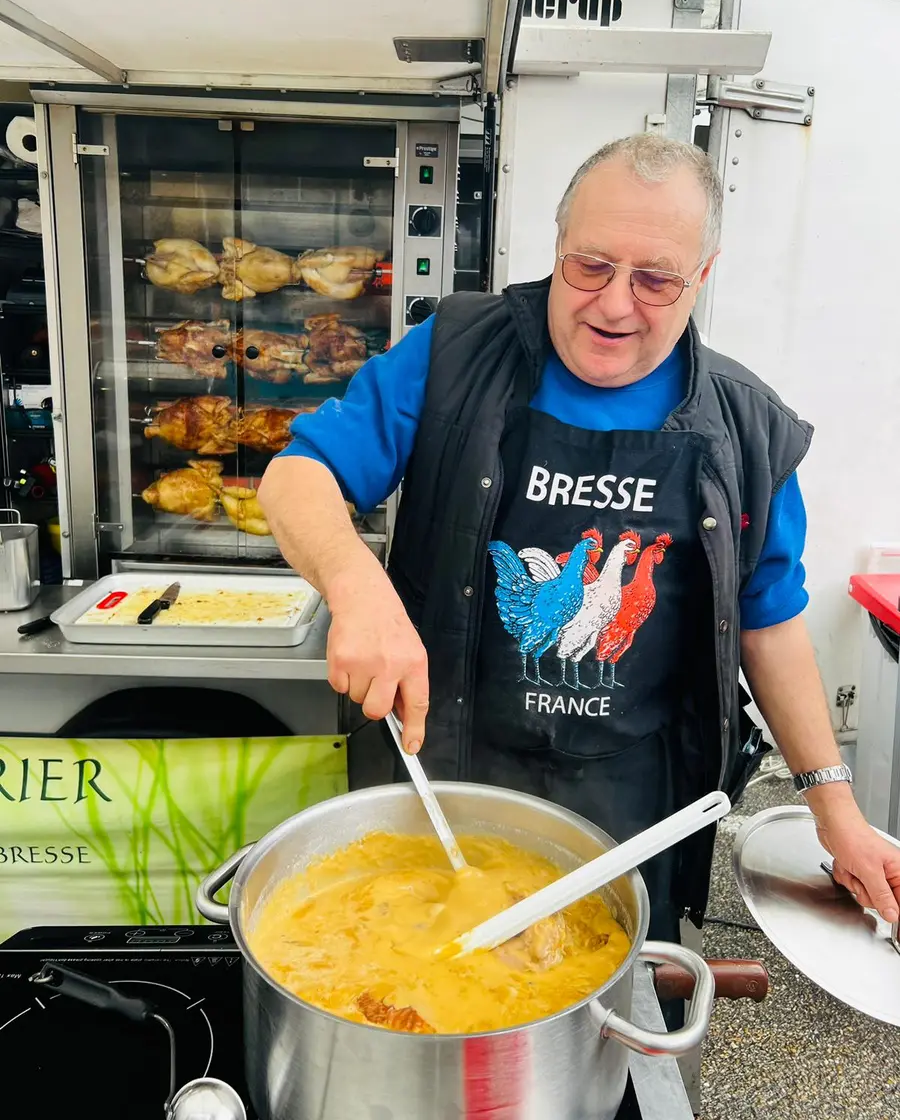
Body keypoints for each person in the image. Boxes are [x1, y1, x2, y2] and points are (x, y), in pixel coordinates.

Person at [259, 133, 900, 960]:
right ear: (557, 248)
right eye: (589, 266)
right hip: (442, 782)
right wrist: (356, 585)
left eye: (656, 279)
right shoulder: (454, 354)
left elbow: (767, 621)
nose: (614, 305)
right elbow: (296, 476)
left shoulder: (747, 428)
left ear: (702, 277)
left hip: (632, 808)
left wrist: (836, 812)